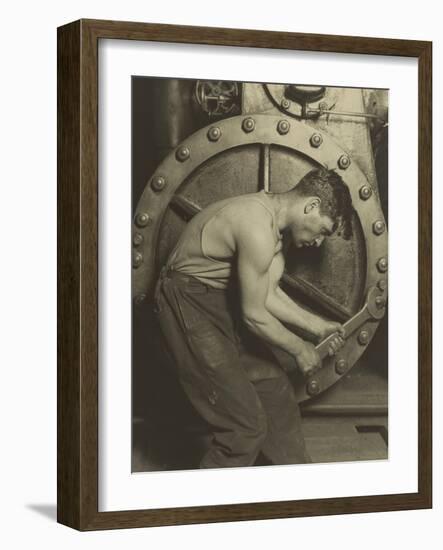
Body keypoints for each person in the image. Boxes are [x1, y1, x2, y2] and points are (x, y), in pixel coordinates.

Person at [153, 167, 354, 469]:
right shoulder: (256, 226)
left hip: (217, 301)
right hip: (185, 301)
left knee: (275, 389)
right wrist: (300, 349)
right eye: (324, 230)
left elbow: (267, 294)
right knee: (245, 427)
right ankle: (201, 509)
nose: (319, 242)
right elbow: (253, 314)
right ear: (311, 206)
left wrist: (318, 326)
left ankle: (298, 488)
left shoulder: (275, 229)